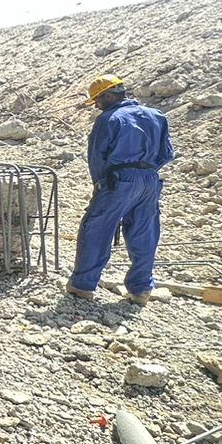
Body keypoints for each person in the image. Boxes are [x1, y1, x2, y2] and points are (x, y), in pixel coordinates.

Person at [66, 75, 174, 304]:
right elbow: (167, 153)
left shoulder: (109, 119)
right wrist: (146, 172)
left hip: (120, 180)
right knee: (144, 232)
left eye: (97, 100)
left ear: (108, 95)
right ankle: (141, 289)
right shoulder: (157, 116)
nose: (96, 105)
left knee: (96, 227)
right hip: (150, 180)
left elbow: (97, 156)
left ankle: (82, 285)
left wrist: (101, 185)